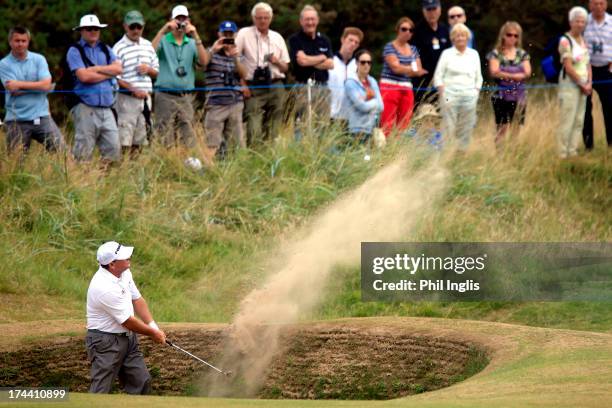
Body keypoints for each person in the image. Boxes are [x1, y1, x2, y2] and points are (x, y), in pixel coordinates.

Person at [86, 241, 166, 394]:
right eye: (124, 257)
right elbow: (128, 321)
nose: (129, 257)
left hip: (128, 338)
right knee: (101, 389)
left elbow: (137, 299)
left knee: (141, 381)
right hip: (105, 342)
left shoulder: (124, 273)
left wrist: (153, 326)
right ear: (112, 264)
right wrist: (152, 333)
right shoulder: (103, 287)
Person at [152, 5, 210, 148]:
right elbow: (150, 52)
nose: (181, 22)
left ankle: (186, 166)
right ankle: (168, 164)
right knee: (165, 137)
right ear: (171, 20)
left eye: (183, 19)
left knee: (188, 138)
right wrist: (163, 30)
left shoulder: (191, 43)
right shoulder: (164, 40)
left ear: (189, 21)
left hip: (185, 97)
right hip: (165, 95)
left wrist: (196, 35)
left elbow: (204, 62)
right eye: (178, 19)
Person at [67, 14, 122, 163]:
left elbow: (118, 69)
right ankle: (82, 184)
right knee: (83, 153)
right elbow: (84, 77)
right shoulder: (74, 50)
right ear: (82, 31)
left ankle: (107, 183)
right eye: (89, 29)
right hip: (85, 107)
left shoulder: (105, 48)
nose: (93, 31)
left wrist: (96, 69)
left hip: (107, 107)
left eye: (96, 28)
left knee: (114, 150)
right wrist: (107, 73)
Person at [0, 26, 63, 154]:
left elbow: (46, 85)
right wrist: (39, 86)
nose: (20, 44)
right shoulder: (4, 64)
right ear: (10, 42)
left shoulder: (39, 59)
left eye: (24, 41)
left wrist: (19, 84)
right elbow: (12, 89)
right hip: (16, 120)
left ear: (28, 42)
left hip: (42, 117)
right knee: (15, 164)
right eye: (17, 41)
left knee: (63, 155)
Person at [236, 2, 290, 145]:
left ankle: (270, 161)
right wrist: (242, 84)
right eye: (259, 18)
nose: (262, 21)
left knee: (274, 128)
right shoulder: (244, 34)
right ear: (253, 18)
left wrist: (276, 61)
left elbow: (286, 67)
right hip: (253, 86)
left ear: (270, 18)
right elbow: (233, 59)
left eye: (266, 18)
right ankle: (254, 160)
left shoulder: (277, 37)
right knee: (254, 128)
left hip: (275, 85)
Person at [112, 11, 159, 158]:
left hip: (146, 99)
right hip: (126, 100)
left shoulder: (148, 45)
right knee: (124, 138)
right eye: (132, 27)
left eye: (139, 27)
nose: (136, 30)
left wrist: (149, 70)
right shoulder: (118, 48)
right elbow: (114, 78)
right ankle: (123, 170)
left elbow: (157, 72)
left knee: (141, 139)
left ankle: (135, 170)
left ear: (143, 27)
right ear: (125, 27)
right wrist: (133, 90)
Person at [434, 23, 483, 151]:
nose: (460, 38)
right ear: (452, 38)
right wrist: (443, 93)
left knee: (466, 127)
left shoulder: (474, 54)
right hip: (450, 96)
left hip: (469, 96)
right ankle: (446, 154)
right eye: (457, 35)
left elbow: (479, 77)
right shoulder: (446, 54)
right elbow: (438, 76)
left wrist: (475, 92)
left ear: (468, 37)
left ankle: (461, 155)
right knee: (448, 127)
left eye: (463, 35)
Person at [204, 21, 247, 161]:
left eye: (230, 34)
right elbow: (201, 64)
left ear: (235, 35)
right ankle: (208, 170)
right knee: (212, 143)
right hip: (216, 104)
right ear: (219, 35)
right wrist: (213, 50)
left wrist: (235, 57)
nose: (228, 37)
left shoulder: (238, 54)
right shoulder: (211, 52)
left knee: (237, 143)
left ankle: (235, 172)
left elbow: (244, 74)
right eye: (225, 34)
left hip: (235, 103)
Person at [288, 5, 334, 137]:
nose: (310, 22)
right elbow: (301, 62)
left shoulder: (324, 40)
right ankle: (300, 154)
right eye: (307, 19)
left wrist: (309, 60)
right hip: (303, 87)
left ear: (317, 20)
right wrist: (321, 57)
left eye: (313, 19)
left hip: (323, 87)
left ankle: (320, 154)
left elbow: (330, 64)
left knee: (322, 124)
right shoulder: (295, 39)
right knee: (302, 124)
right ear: (301, 21)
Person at [379, 17, 427, 137]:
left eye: (410, 30)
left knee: (404, 123)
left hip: (406, 87)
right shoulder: (389, 47)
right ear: (397, 30)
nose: (407, 32)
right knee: (387, 122)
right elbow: (396, 68)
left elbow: (418, 70)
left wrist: (404, 68)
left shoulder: (413, 49)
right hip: (389, 87)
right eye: (404, 29)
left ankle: (399, 151)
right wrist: (411, 69)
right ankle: (386, 151)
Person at [487, 21, 531, 147]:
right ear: (503, 35)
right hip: (501, 96)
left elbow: (527, 72)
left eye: (516, 36)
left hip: (519, 95)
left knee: (516, 126)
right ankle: (500, 154)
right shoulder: (496, 53)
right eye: (509, 35)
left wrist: (505, 72)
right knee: (502, 127)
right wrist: (515, 75)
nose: (512, 38)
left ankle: (513, 152)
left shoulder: (522, 54)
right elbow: (494, 71)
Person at [557, 7, 592, 159]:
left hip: (584, 84)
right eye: (577, 21)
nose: (580, 24)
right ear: (571, 22)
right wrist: (581, 84)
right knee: (567, 119)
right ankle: (562, 153)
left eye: (583, 21)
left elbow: (587, 63)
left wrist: (589, 82)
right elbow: (568, 66)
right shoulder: (565, 40)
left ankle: (573, 150)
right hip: (570, 84)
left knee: (579, 119)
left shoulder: (583, 40)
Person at [583, 0, 611, 150]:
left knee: (610, 109)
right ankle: (588, 147)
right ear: (590, 5)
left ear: (606, 5)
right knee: (585, 109)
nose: (598, 7)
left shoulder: (611, 22)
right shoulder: (583, 22)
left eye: (601, 3)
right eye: (595, 3)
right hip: (586, 70)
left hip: (607, 71)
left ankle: (611, 145)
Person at [412, 0, 451, 106]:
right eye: (428, 9)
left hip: (441, 82)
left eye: (434, 9)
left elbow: (449, 54)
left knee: (440, 117)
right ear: (423, 11)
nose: (432, 13)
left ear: (440, 10)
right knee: (421, 117)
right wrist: (417, 68)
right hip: (422, 82)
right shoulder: (416, 31)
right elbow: (412, 52)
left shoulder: (445, 30)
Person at [344, 49, 384, 143]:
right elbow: (362, 106)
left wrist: (366, 99)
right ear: (357, 63)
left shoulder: (372, 81)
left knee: (369, 157)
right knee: (358, 156)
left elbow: (381, 106)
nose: (366, 65)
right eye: (363, 62)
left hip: (371, 128)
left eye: (369, 62)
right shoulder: (350, 82)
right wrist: (374, 101)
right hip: (356, 129)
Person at [328, 27, 363, 128]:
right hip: (330, 115)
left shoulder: (357, 66)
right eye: (350, 40)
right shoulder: (330, 62)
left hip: (351, 118)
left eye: (356, 42)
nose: (353, 44)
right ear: (343, 39)